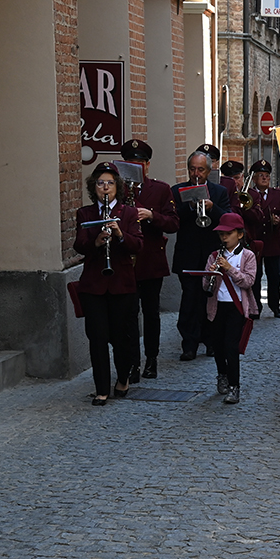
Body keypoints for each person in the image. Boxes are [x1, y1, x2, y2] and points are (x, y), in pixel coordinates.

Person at [73, 163, 143, 405]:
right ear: (94, 187)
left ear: (117, 187)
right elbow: (79, 245)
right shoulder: (86, 214)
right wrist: (97, 240)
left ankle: (122, 377)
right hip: (94, 286)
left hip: (122, 284)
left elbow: (138, 246)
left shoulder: (129, 213)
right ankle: (101, 388)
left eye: (110, 183)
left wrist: (120, 235)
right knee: (98, 338)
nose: (105, 187)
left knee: (121, 337)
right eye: (100, 183)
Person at [119, 139, 179, 381]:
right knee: (129, 314)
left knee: (151, 312)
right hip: (127, 261)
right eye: (130, 164)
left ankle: (151, 359)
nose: (135, 167)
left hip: (151, 259)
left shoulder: (160, 189)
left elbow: (174, 223)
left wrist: (152, 215)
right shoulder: (118, 190)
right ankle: (132, 362)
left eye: (139, 164)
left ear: (147, 165)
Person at [171, 147, 232, 360]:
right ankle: (189, 344)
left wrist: (212, 207)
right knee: (189, 299)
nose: (196, 174)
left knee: (210, 298)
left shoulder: (219, 192)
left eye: (200, 170)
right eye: (192, 169)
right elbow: (172, 221)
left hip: (210, 255)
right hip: (187, 253)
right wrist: (188, 206)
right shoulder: (177, 190)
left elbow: (228, 219)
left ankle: (211, 341)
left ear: (209, 171)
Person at [202, 213, 257, 405]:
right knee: (217, 345)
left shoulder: (248, 256)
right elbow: (205, 284)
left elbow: (249, 281)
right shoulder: (214, 255)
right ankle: (221, 375)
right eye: (221, 234)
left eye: (229, 233)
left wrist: (230, 269)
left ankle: (235, 385)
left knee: (231, 346)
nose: (224, 237)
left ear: (240, 234)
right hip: (216, 306)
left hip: (236, 307)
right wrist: (211, 273)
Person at [242, 159, 280, 318]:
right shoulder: (248, 194)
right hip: (254, 240)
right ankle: (255, 307)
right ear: (254, 178)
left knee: (274, 276)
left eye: (267, 176)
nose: (264, 178)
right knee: (254, 277)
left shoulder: (277, 194)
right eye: (260, 175)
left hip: (272, 240)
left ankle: (275, 306)